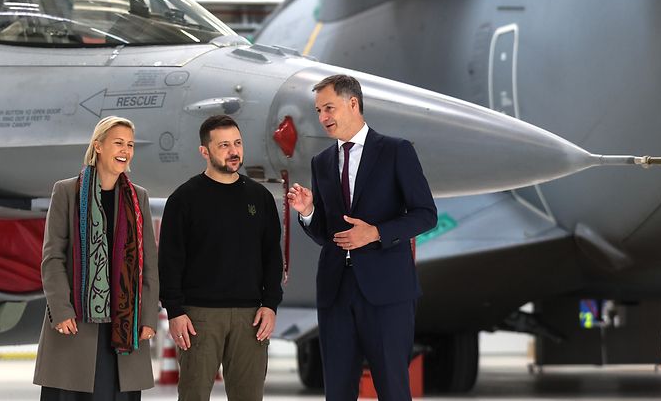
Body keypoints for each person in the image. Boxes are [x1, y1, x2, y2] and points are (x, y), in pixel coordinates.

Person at [287, 75, 437, 401]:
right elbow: (328, 234)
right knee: (337, 392)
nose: (323, 117)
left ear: (352, 103)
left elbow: (426, 213)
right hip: (336, 291)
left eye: (329, 108)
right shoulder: (321, 162)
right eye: (318, 111)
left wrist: (376, 232)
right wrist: (308, 211)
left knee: (393, 389)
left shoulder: (397, 151)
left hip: (387, 292)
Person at [159, 115, 284, 401]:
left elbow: (271, 256)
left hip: (251, 317)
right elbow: (170, 259)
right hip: (199, 316)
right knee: (193, 396)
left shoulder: (260, 197)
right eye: (224, 145)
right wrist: (175, 311)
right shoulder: (184, 199)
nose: (234, 151)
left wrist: (271, 304)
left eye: (237, 143)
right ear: (205, 151)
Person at [34, 116, 159, 400]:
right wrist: (61, 310)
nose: (125, 150)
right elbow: (52, 257)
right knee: (73, 391)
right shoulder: (67, 191)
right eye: (118, 143)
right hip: (77, 321)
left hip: (124, 323)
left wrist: (149, 316)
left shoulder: (138, 197)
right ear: (98, 146)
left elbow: (149, 264)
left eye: (130, 144)